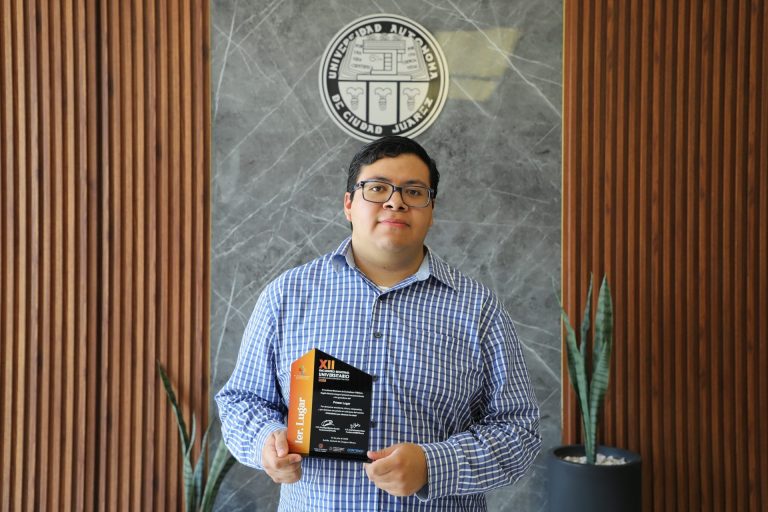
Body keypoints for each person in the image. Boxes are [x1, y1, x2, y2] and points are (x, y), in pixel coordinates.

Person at [216, 135, 541, 511]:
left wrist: (433, 466)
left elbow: (519, 431)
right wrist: (265, 441)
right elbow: (242, 401)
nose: (395, 201)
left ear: (431, 210)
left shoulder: (478, 308)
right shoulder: (287, 296)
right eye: (377, 188)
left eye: (414, 192)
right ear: (348, 204)